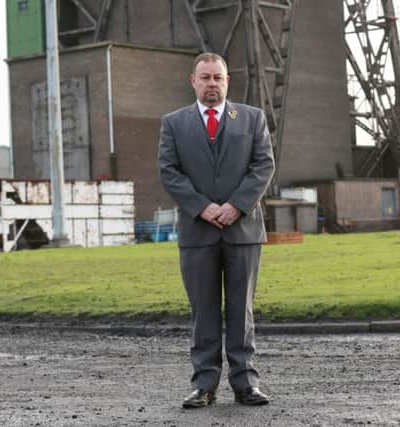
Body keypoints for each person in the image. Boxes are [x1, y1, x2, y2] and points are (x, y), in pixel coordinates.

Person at [158, 52, 275, 408]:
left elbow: (263, 165)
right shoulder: (174, 123)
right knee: (203, 310)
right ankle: (204, 385)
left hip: (243, 231)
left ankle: (245, 384)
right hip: (198, 232)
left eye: (218, 78)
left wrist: (236, 205)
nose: (212, 84)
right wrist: (202, 207)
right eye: (205, 77)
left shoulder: (252, 118)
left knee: (242, 311)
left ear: (228, 81)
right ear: (192, 80)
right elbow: (169, 171)